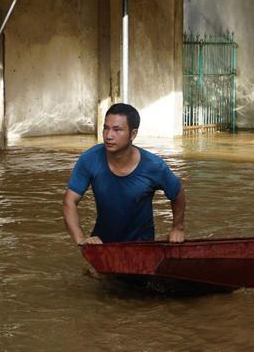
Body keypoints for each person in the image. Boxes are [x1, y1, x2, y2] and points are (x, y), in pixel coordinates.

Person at [63, 103, 186, 245]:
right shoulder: (90, 159)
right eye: (106, 128)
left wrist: (178, 227)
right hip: (102, 246)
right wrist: (81, 239)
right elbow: (69, 201)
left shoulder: (153, 166)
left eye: (117, 130)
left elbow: (177, 193)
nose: (109, 136)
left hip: (142, 247)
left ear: (133, 134)